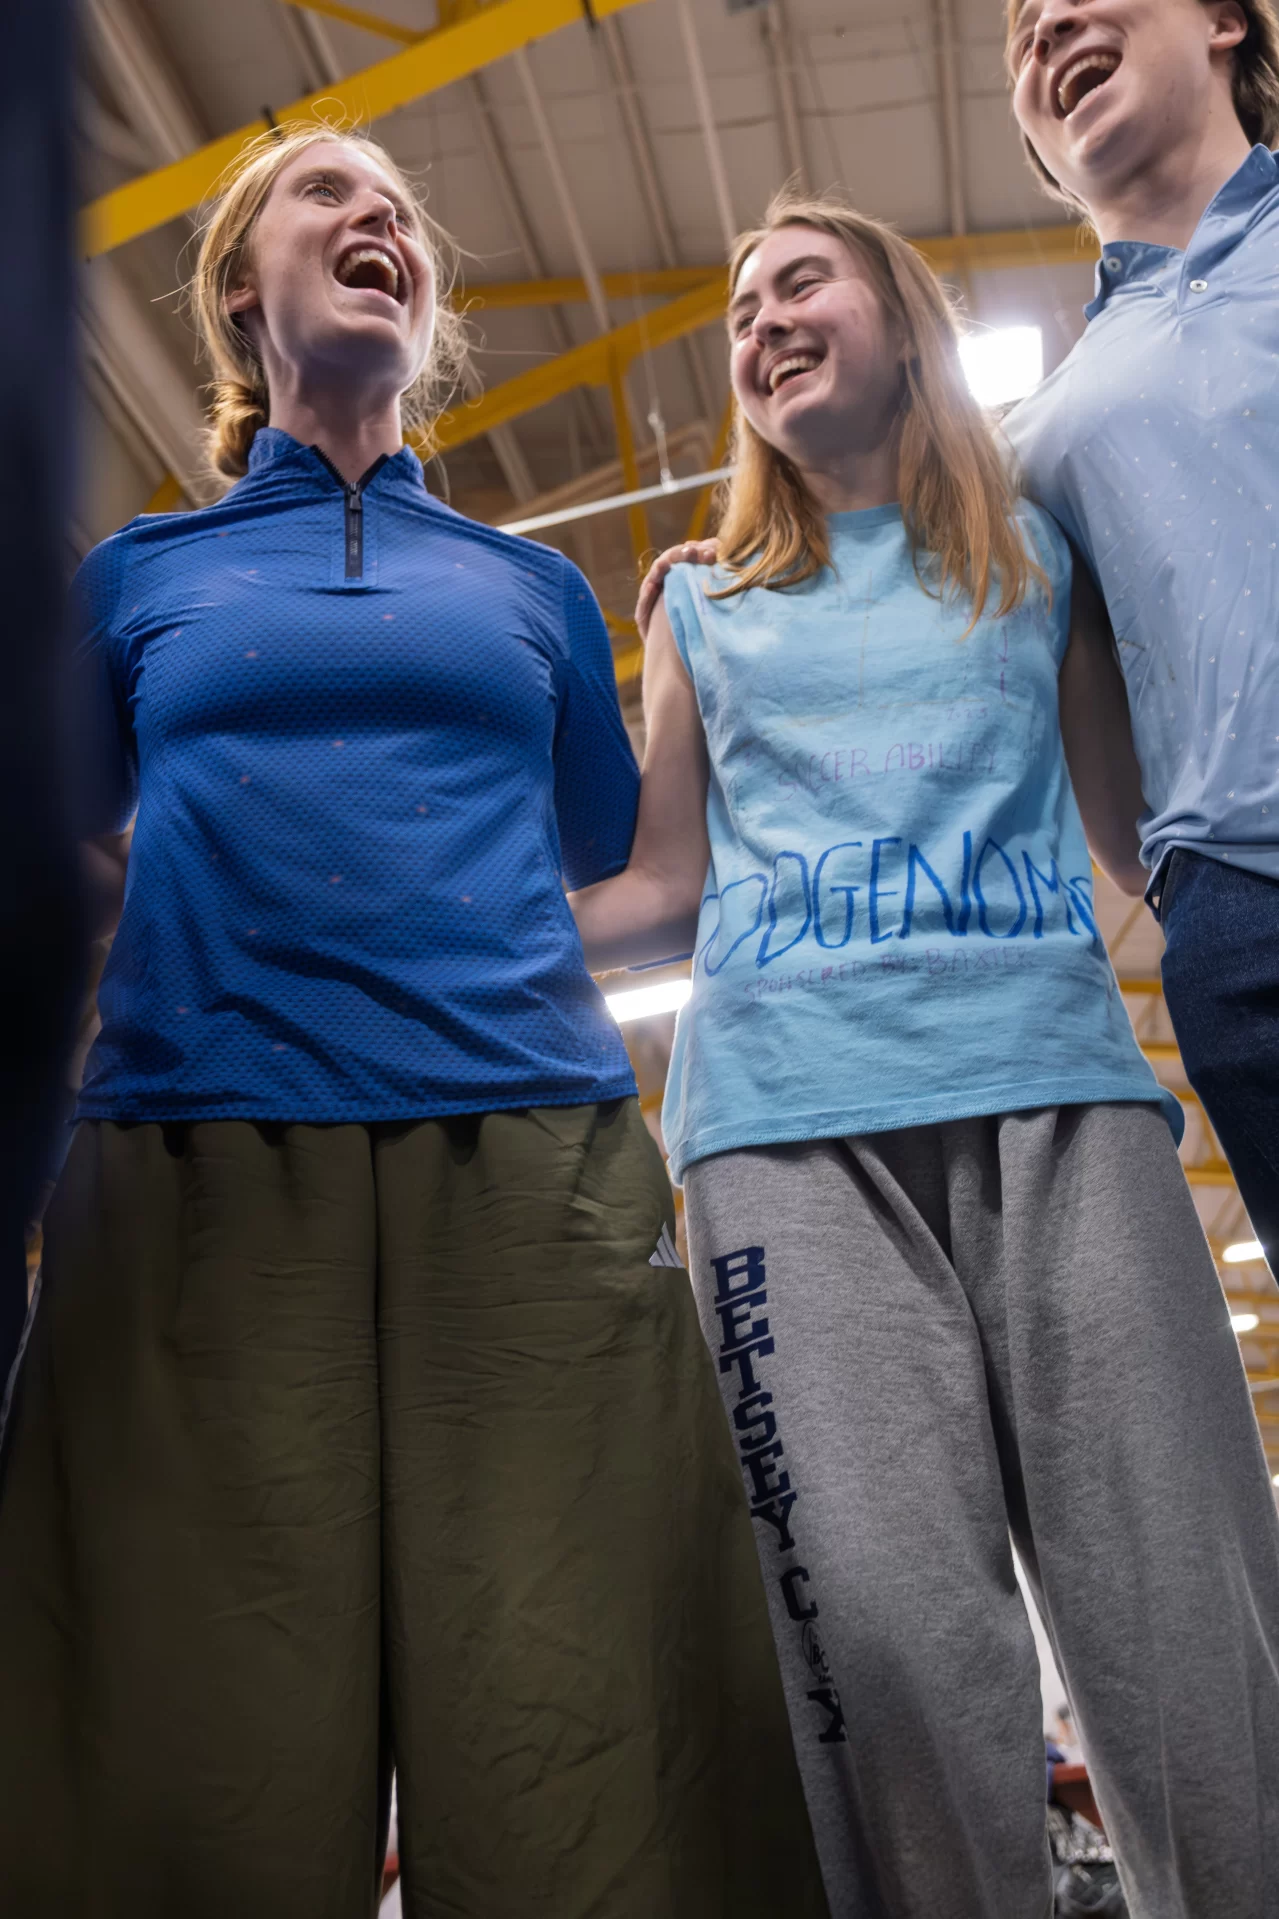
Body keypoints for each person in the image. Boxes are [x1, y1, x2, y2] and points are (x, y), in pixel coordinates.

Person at [0, 123, 827, 1919]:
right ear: (242, 294)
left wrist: (681, 661)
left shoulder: (525, 589)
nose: (377, 215)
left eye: (399, 209)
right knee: (184, 1740)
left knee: (581, 1725)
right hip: (192, 1156)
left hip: (525, 1163)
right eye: (326, 193)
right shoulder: (142, 576)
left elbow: (627, 882)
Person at [570, 190, 1279, 1917]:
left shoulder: (1038, 555)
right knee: (887, 1639)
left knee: (1184, 1628)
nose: (758, 323)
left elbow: (1138, 832)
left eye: (795, 282)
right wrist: (403, 926)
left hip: (1059, 1108)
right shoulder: (700, 603)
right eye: (736, 310)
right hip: (782, 1142)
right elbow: (657, 885)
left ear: (896, 312)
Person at [1001, 0, 1279, 1272]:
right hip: (1243, 923)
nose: (1046, 21)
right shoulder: (1035, 440)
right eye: (1017, 28)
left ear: (1223, 20)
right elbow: (1108, 803)